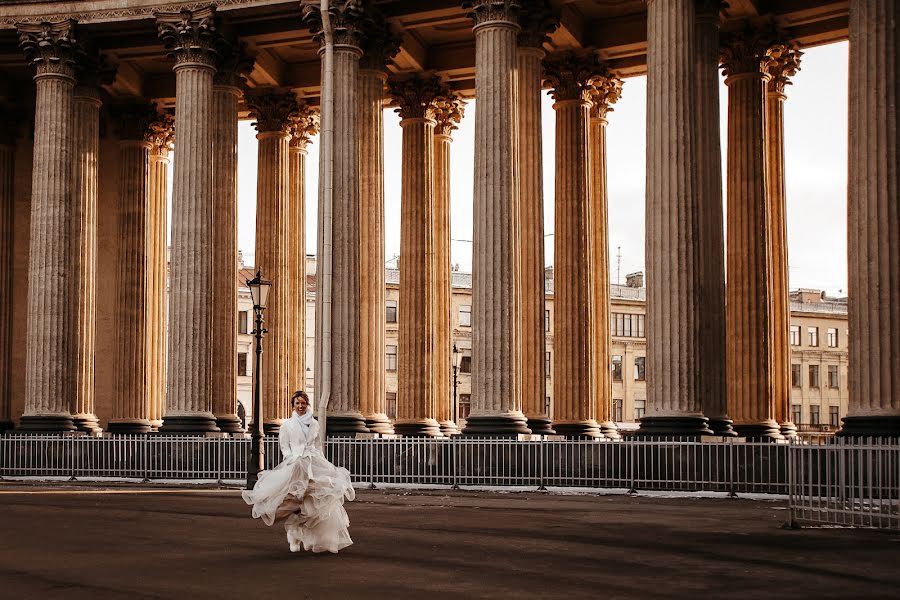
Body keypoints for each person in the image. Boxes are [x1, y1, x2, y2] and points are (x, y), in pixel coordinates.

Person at [241, 390, 355, 553]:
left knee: (315, 504)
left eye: (303, 403)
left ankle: (300, 533)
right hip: (295, 464)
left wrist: (322, 463)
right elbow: (284, 446)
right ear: (293, 406)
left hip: (313, 463)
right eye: (297, 403)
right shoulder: (287, 425)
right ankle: (293, 533)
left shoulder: (314, 424)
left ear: (307, 404)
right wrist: (293, 459)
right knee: (293, 500)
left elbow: (317, 445)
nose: (300, 406)